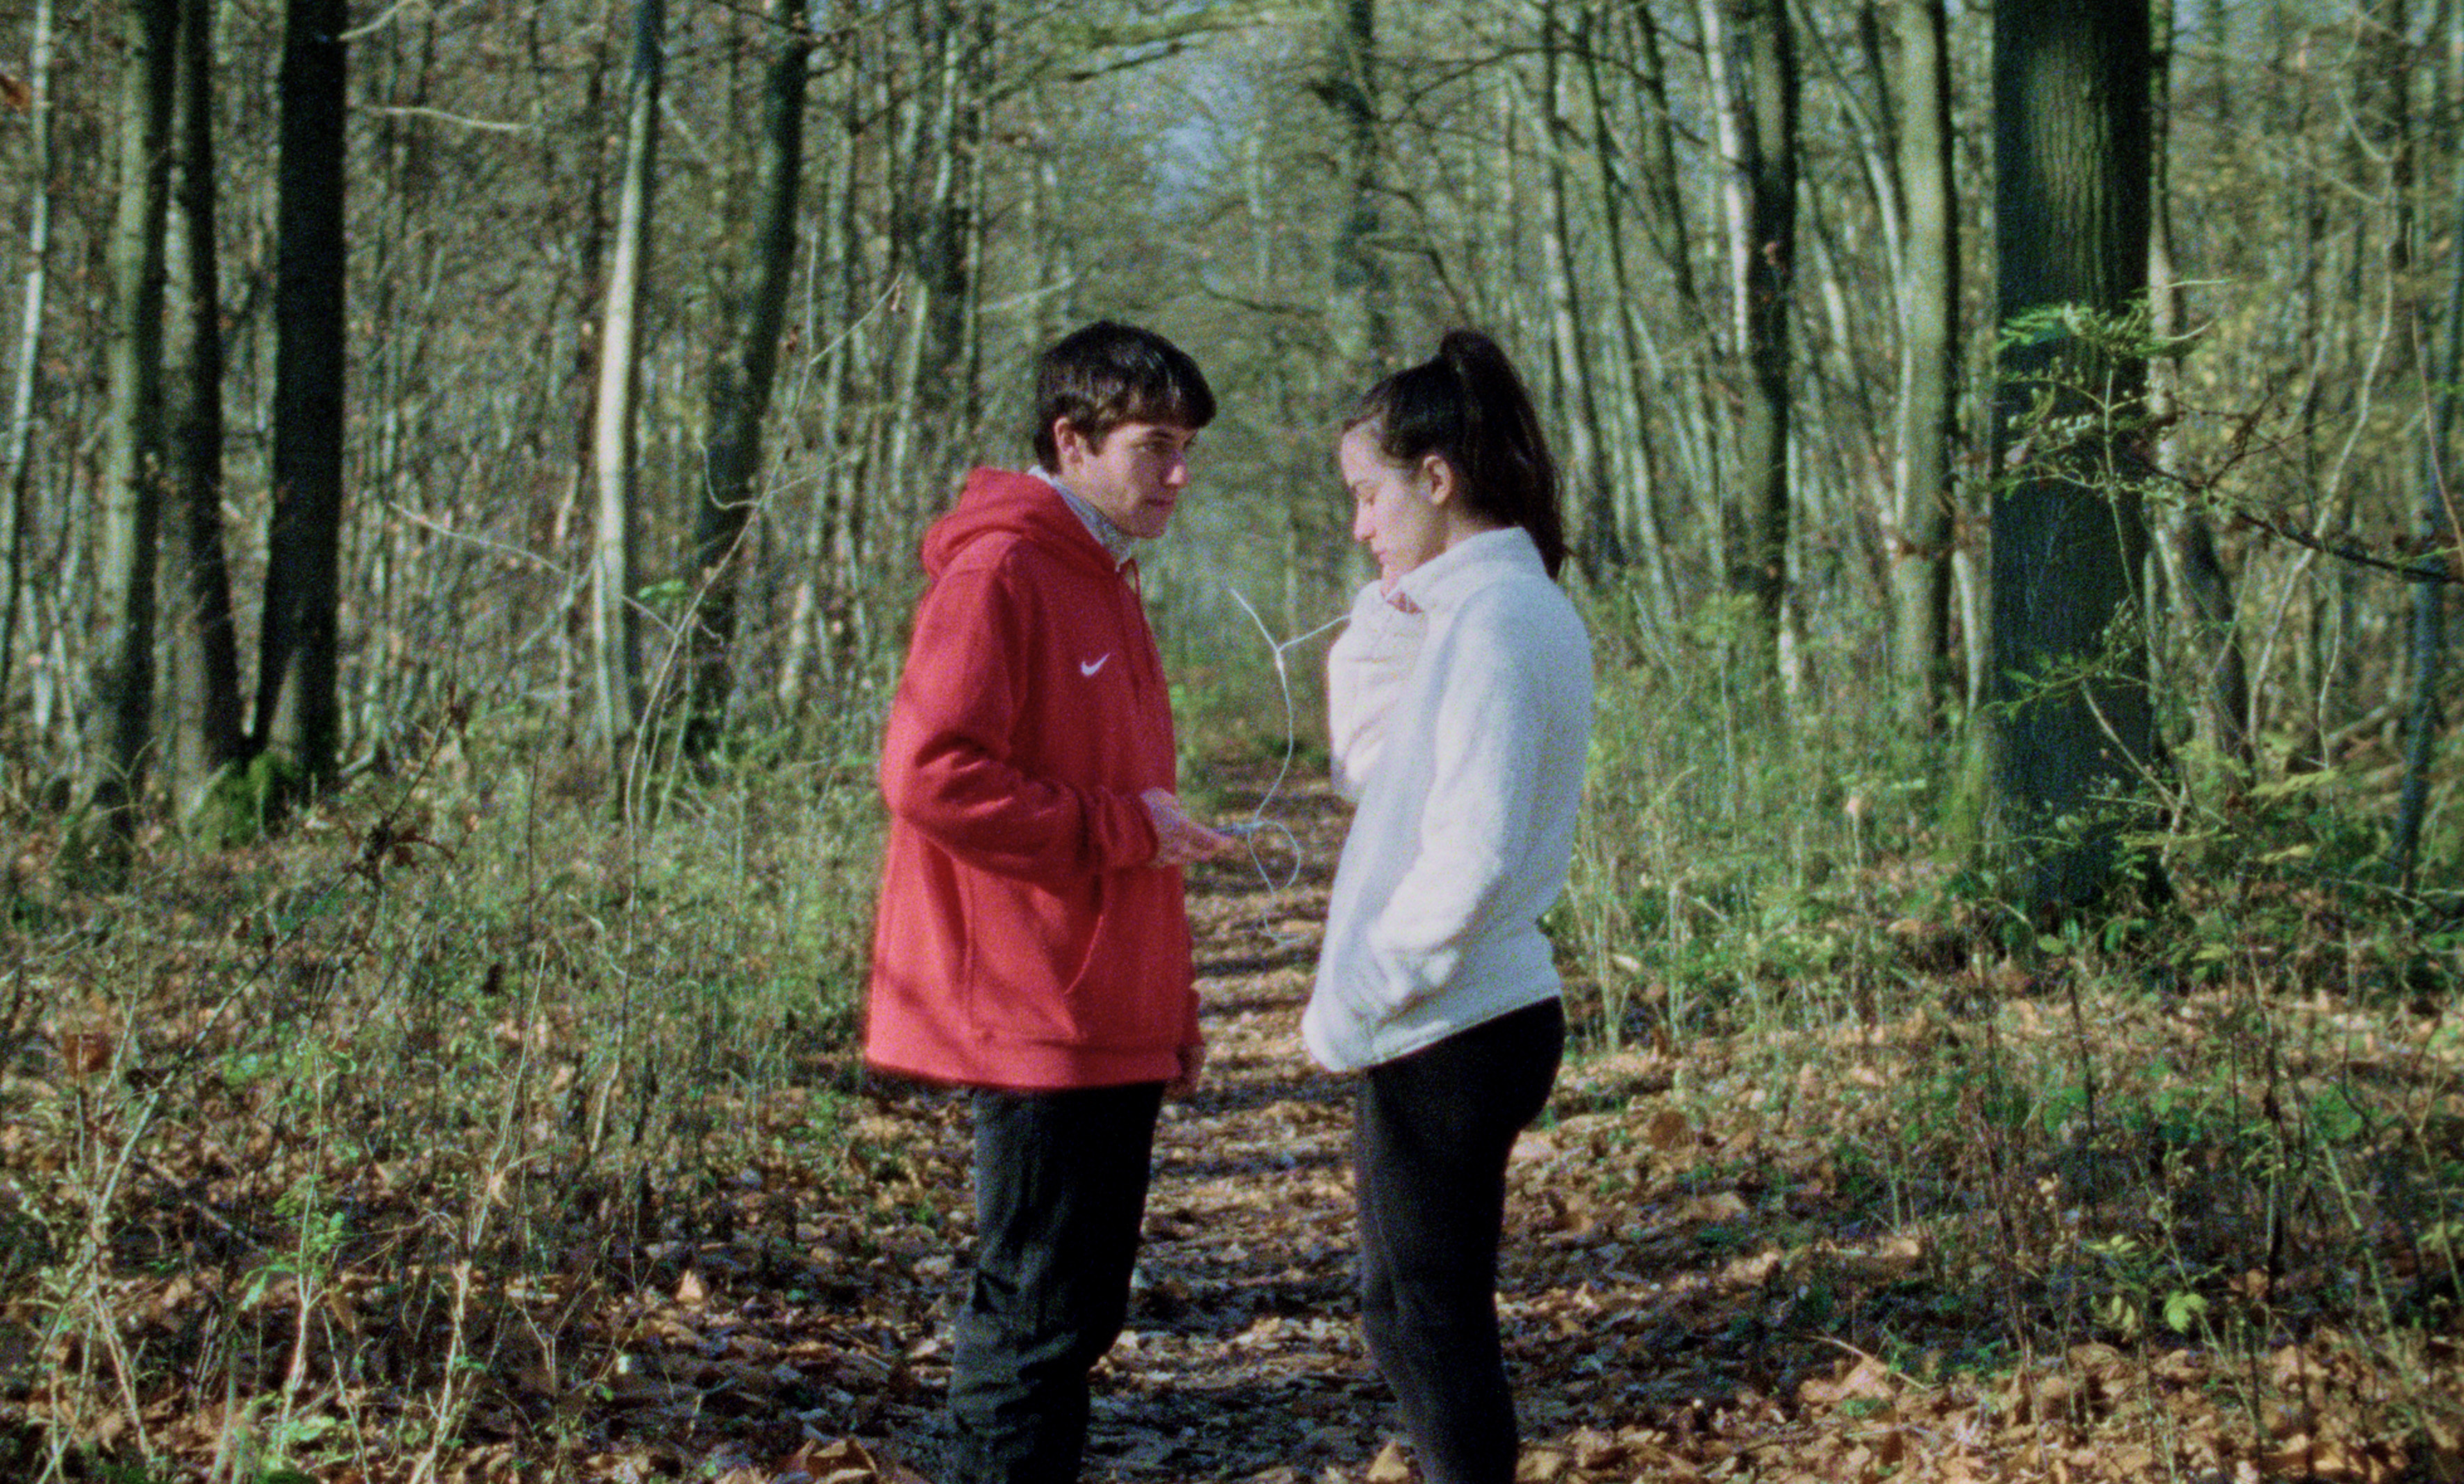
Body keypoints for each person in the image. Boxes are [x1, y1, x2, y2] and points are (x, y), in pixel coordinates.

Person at [864, 321, 1237, 1484]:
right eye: (1155, 446)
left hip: (1104, 1014)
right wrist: (1122, 828)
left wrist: (1168, 1010)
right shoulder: (1003, 571)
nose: (1179, 473)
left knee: (1074, 1315)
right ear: (1071, 441)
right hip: (1032, 1010)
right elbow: (928, 771)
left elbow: (1139, 816)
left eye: (1188, 447)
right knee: (1033, 1319)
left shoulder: (1107, 577)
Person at [1306, 330, 1594, 1484]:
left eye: (1369, 495)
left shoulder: (1502, 623)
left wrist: (1363, 995)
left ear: (1436, 478)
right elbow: (1374, 772)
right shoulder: (1481, 614)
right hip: (1458, 1018)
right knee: (1411, 1311)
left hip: (1458, 1023)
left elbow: (1470, 855)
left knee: (1429, 1322)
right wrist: (1385, 619)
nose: (1361, 525)